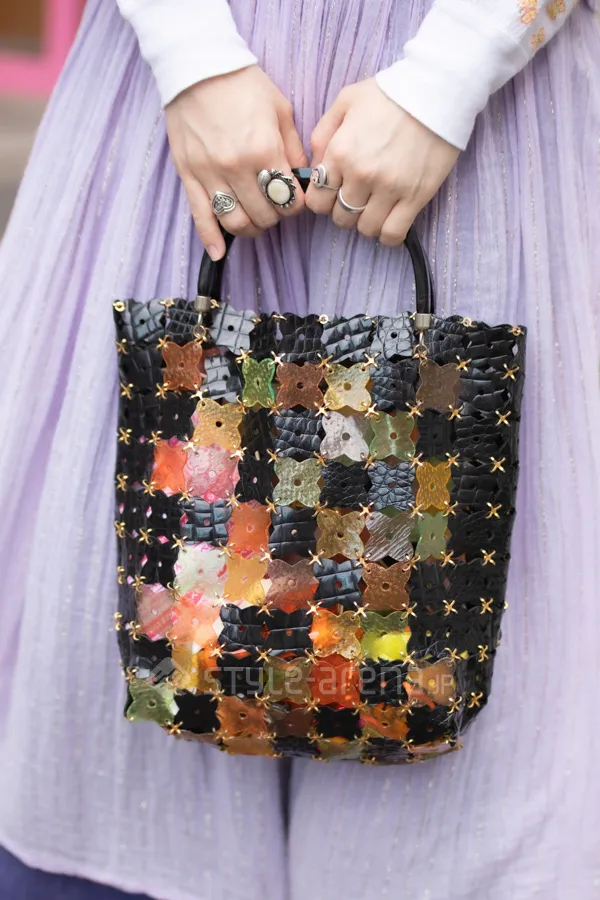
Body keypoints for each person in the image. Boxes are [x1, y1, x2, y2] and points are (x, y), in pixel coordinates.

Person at [0, 0, 598, 898]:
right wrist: (194, 58)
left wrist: (455, 70)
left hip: (487, 122)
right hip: (189, 116)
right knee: (134, 653)